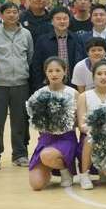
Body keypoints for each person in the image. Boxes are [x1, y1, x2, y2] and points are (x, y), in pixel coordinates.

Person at [0, 1, 34, 169]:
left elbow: (30, 55)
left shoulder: (26, 34)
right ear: (1, 15)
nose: (12, 15)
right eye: (8, 12)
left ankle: (19, 155)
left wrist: (21, 70)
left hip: (20, 83)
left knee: (19, 122)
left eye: (15, 12)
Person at [26, 57, 79, 191]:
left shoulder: (73, 93)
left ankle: (65, 170)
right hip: (46, 139)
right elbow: (35, 121)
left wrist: (64, 120)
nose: (54, 74)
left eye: (58, 70)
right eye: (50, 71)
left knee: (47, 155)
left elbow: (79, 121)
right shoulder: (40, 94)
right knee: (36, 185)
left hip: (66, 138)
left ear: (65, 71)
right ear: (46, 73)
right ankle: (48, 169)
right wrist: (46, 123)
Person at [76, 59, 106, 190]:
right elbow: (81, 125)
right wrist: (96, 132)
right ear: (93, 77)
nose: (103, 77)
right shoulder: (84, 96)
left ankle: (104, 169)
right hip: (90, 136)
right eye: (99, 74)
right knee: (90, 139)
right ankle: (84, 174)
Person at [30, 6, 85, 90]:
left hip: (73, 84)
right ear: (52, 21)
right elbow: (36, 65)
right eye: (58, 19)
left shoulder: (77, 39)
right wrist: (39, 85)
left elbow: (81, 61)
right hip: (49, 84)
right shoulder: (42, 40)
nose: (62, 21)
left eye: (65, 18)